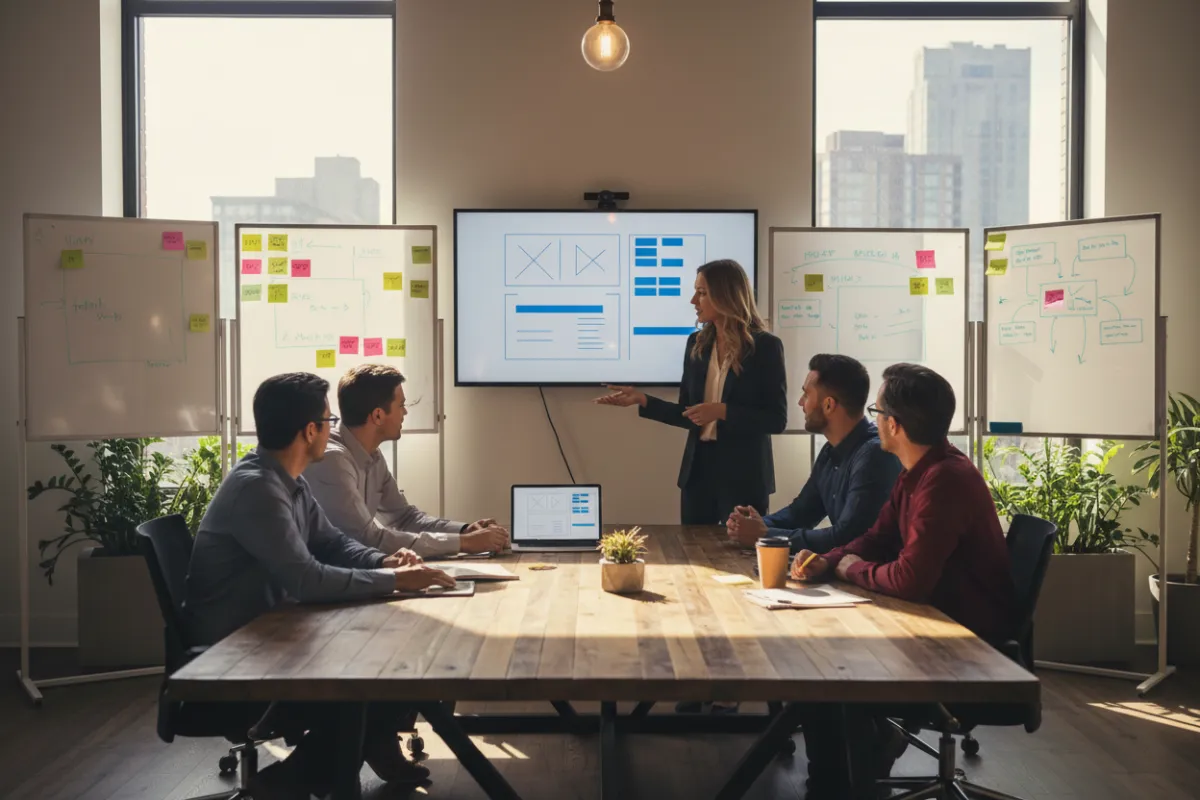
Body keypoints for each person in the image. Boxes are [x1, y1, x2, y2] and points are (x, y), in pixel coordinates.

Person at [186, 372, 456, 798]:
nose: (334, 430)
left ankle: (342, 764)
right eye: (329, 421)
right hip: (235, 651)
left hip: (273, 631)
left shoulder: (286, 481)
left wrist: (385, 561)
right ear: (310, 430)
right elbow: (308, 580)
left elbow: (330, 542)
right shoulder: (258, 490)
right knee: (360, 669)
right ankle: (285, 783)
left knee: (387, 649)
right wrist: (391, 579)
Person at [789, 363, 1017, 798]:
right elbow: (876, 538)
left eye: (876, 410)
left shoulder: (944, 481)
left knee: (825, 670)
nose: (873, 418)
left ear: (892, 424)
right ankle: (846, 776)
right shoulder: (917, 472)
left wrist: (848, 568)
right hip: (933, 621)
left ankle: (841, 785)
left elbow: (910, 578)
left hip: (965, 642)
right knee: (817, 660)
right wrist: (826, 558)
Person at [594, 259, 787, 524]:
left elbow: (776, 420)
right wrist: (641, 399)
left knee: (740, 557)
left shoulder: (765, 347)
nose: (693, 300)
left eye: (702, 292)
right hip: (698, 472)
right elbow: (688, 414)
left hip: (745, 474)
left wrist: (722, 411)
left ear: (726, 295)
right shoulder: (696, 344)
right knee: (694, 554)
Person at [306, 364, 508, 558]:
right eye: (401, 405)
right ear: (378, 415)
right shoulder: (332, 460)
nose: (405, 412)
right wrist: (465, 543)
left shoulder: (373, 456)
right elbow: (368, 539)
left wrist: (465, 531)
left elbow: (404, 518)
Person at [725, 354, 900, 561]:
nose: (801, 403)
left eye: (806, 395)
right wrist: (754, 525)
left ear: (828, 405)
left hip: (874, 580)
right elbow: (801, 513)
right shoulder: (830, 451)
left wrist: (764, 534)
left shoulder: (873, 455)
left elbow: (847, 537)